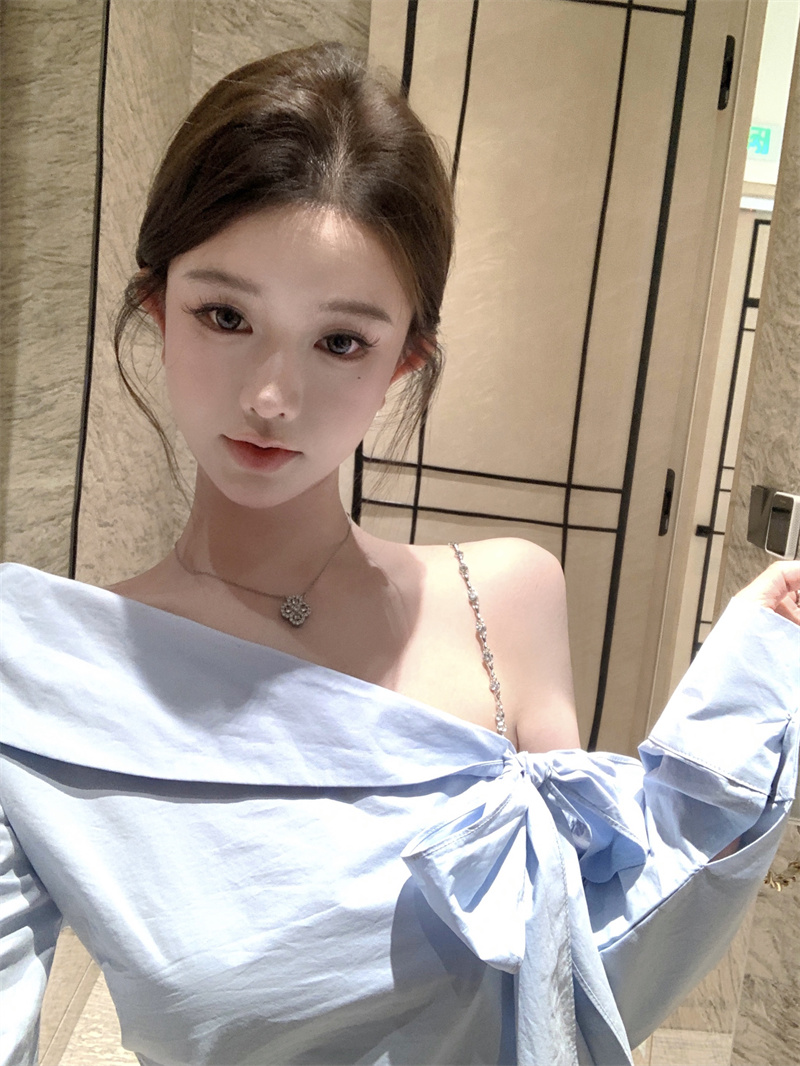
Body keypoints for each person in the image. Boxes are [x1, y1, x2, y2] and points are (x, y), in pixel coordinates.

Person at [1, 41, 798, 1066]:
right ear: (158, 307)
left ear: (404, 360)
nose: (271, 397)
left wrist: (754, 688)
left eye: (341, 340)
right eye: (225, 316)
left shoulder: (508, 596)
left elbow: (579, 958)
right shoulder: (51, 680)